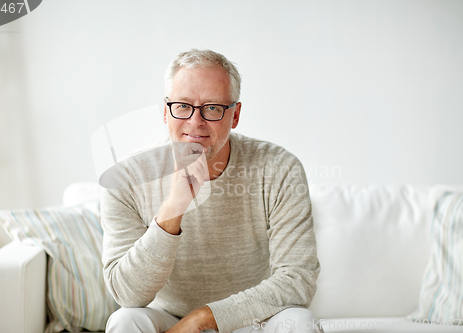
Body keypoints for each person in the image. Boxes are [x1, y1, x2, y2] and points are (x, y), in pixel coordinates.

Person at [101, 49, 322, 333]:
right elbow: (126, 295)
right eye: (182, 106)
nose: (196, 122)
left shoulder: (279, 168)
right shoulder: (127, 178)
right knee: (125, 320)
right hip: (169, 322)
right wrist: (173, 209)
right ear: (166, 112)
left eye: (213, 108)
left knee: (300, 322)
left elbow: (298, 278)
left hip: (253, 320)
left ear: (235, 115)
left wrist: (204, 318)